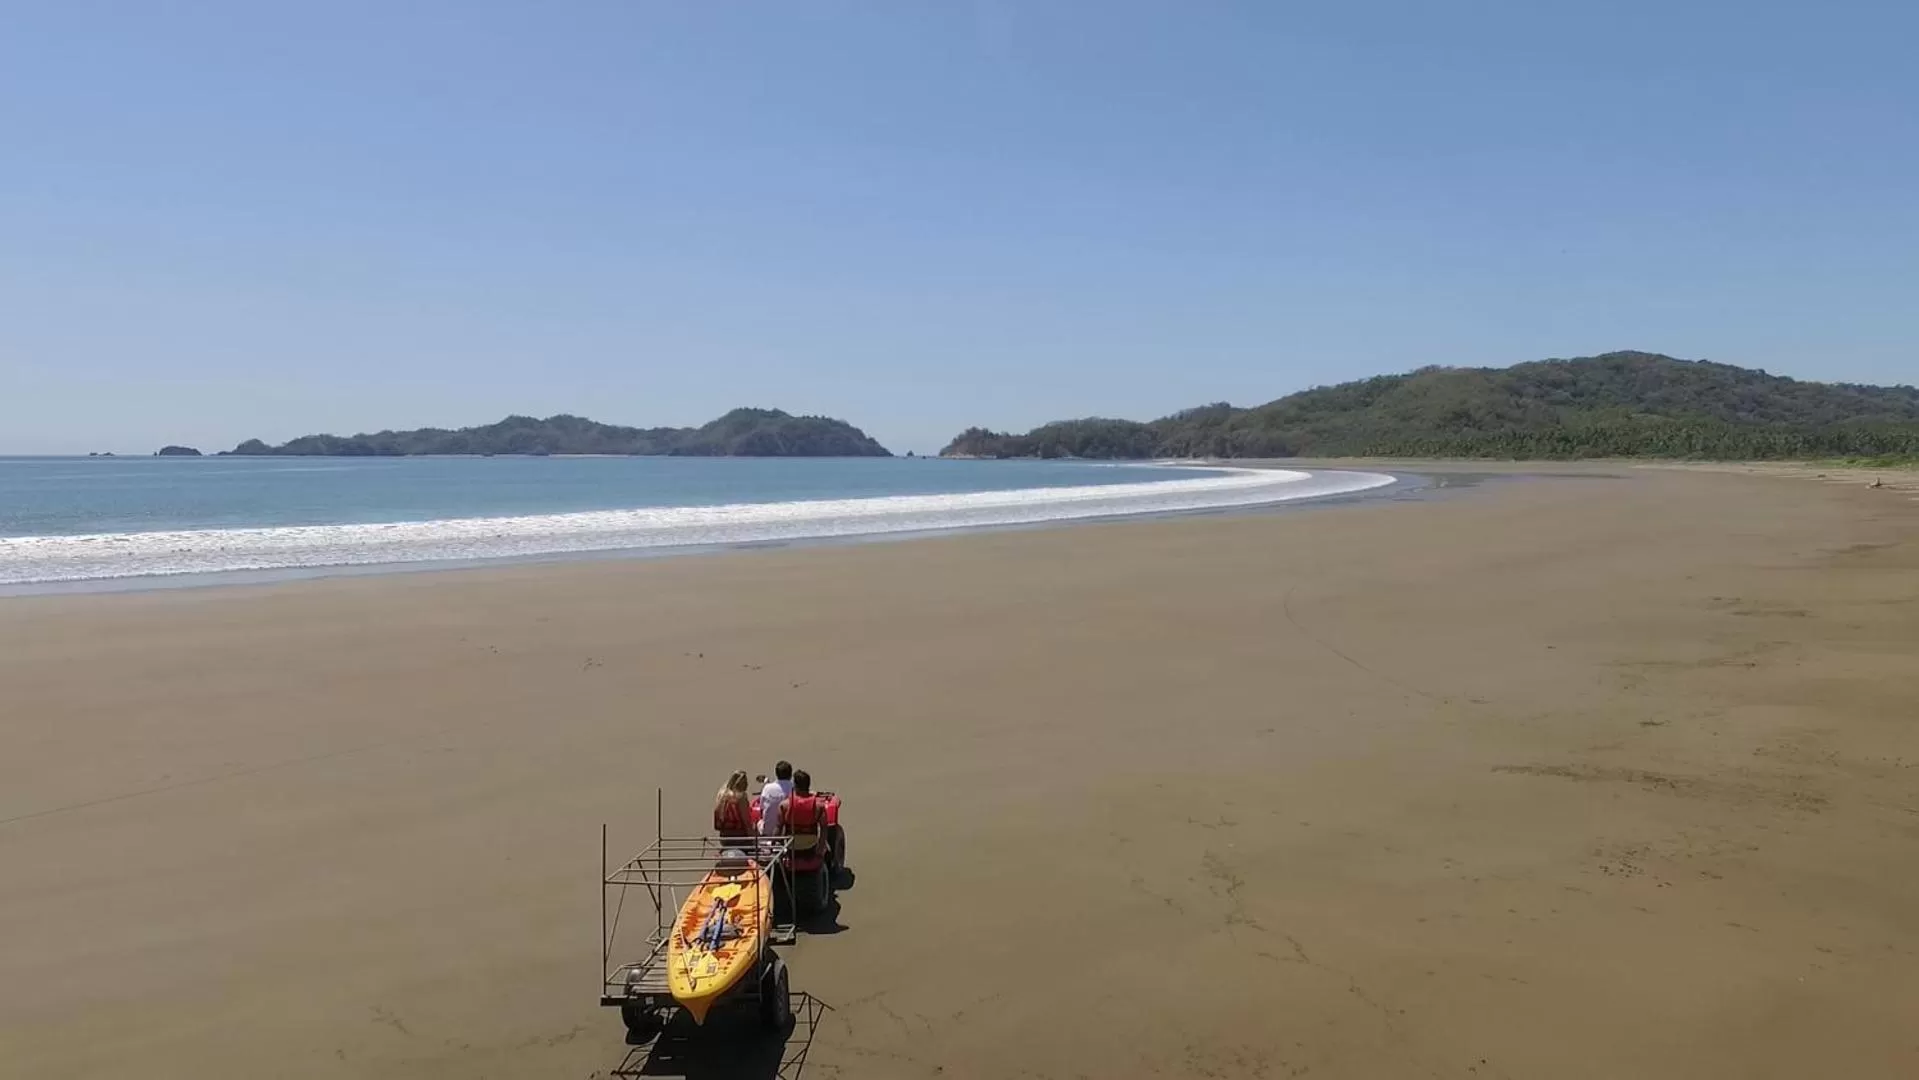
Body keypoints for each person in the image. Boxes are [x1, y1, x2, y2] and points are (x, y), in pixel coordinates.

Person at [780, 768, 827, 859]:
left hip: (791, 845)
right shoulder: (819, 806)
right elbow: (824, 829)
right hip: (811, 845)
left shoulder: (784, 805)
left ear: (795, 786)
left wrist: (776, 847)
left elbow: (778, 828)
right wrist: (820, 848)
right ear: (808, 785)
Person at [712, 770, 753, 842]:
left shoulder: (721, 795)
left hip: (723, 838)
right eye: (745, 782)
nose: (747, 784)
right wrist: (755, 838)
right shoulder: (740, 797)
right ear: (740, 783)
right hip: (739, 838)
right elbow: (746, 822)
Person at [758, 761, 794, 839]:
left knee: (759, 821)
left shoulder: (767, 788)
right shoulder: (795, 788)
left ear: (776, 774)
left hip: (768, 831)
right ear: (791, 774)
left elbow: (761, 810)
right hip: (788, 832)